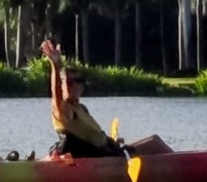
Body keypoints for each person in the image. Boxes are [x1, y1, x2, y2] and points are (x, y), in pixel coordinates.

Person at [41, 39, 172, 158]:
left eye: (77, 80)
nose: (72, 85)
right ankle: (181, 167)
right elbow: (56, 91)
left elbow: (95, 137)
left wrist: (112, 142)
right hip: (100, 160)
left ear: (82, 86)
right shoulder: (63, 109)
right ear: (61, 85)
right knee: (155, 143)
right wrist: (56, 65)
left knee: (153, 140)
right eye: (68, 82)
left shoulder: (82, 109)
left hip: (108, 153)